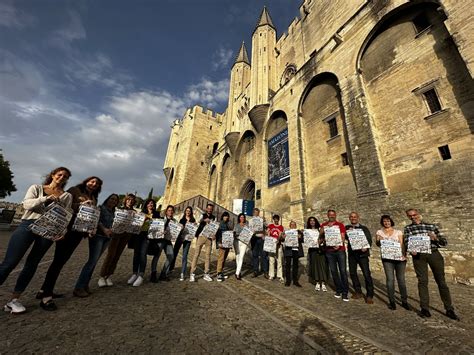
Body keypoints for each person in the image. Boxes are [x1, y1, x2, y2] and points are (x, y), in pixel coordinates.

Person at [0, 167, 72, 313]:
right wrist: (45, 198)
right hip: (28, 225)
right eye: (59, 174)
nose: (61, 177)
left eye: (65, 177)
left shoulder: (66, 196)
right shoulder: (37, 188)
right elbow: (27, 205)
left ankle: (14, 300)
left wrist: (62, 231)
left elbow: (65, 216)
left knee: (32, 264)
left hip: (48, 230)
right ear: (53, 175)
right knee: (10, 262)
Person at [37, 176, 102, 304]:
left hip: (79, 232)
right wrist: (80, 205)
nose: (94, 184)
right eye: (92, 181)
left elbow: (91, 216)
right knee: (58, 261)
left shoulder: (94, 198)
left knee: (60, 262)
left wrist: (90, 228)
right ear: (86, 181)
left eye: (97, 183)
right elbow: (64, 205)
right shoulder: (74, 190)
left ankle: (44, 289)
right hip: (68, 230)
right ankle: (47, 294)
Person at [404, 209, 459, 320]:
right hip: (419, 256)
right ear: (408, 217)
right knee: (422, 281)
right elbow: (406, 242)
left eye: (414, 215)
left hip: (434, 254)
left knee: (441, 282)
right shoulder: (408, 228)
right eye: (410, 216)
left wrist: (435, 238)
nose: (413, 217)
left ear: (418, 214)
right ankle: (424, 308)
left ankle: (449, 309)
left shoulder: (431, 226)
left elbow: (444, 242)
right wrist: (410, 250)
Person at [75, 194, 119, 293]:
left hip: (107, 238)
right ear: (107, 199)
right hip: (98, 236)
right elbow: (96, 220)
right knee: (91, 262)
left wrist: (112, 230)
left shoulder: (114, 212)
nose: (113, 201)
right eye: (112, 199)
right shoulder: (100, 208)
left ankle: (85, 285)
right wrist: (104, 229)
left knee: (94, 262)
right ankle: (79, 287)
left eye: (115, 200)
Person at [99, 193, 136, 286]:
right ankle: (102, 276)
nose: (130, 201)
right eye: (128, 199)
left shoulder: (135, 212)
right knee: (111, 254)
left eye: (132, 200)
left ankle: (108, 276)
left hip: (126, 235)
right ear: (125, 200)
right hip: (115, 234)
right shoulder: (118, 209)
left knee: (117, 255)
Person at [376, 215, 409, 311]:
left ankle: (404, 301)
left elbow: (402, 244)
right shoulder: (379, 232)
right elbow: (378, 244)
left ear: (391, 222)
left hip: (399, 258)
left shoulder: (398, 232)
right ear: (382, 222)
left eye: (388, 221)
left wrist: (404, 255)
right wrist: (379, 240)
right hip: (387, 259)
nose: (386, 223)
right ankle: (392, 301)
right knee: (390, 280)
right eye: (384, 221)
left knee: (401, 280)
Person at [126, 198, 160, 287]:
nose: (150, 204)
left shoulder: (156, 214)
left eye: (152, 203)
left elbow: (159, 225)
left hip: (148, 236)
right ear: (146, 204)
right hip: (138, 234)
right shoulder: (141, 213)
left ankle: (141, 275)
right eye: (149, 203)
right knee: (136, 254)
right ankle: (134, 274)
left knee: (143, 254)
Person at [345, 212, 374, 304]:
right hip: (352, 254)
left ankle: (369, 295)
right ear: (349, 218)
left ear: (358, 218)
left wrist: (366, 247)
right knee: (353, 273)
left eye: (355, 217)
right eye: (351, 217)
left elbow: (369, 240)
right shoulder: (346, 228)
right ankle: (358, 292)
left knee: (366, 274)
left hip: (362, 255)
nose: (353, 218)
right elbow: (343, 237)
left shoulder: (364, 228)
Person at [320, 209, 349, 301]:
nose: (331, 216)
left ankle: (345, 292)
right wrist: (325, 229)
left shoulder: (340, 225)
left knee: (343, 271)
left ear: (335, 215)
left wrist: (338, 243)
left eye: (333, 215)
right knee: (333, 271)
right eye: (330, 215)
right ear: (327, 215)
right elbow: (320, 236)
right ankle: (338, 289)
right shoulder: (324, 225)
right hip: (329, 251)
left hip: (340, 250)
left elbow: (343, 236)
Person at [190, 203, 216, 282]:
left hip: (209, 238)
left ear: (212, 210)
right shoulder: (203, 215)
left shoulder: (214, 217)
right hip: (201, 236)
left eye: (211, 209)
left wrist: (214, 235)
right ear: (206, 209)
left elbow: (215, 227)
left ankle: (206, 273)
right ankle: (192, 273)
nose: (209, 210)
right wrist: (204, 220)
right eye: (208, 208)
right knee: (196, 255)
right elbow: (198, 222)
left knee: (208, 256)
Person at [306, 216, 328, 292]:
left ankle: (323, 282)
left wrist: (321, 240)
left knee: (322, 265)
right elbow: (306, 241)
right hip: (313, 250)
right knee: (315, 265)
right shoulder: (307, 231)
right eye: (310, 221)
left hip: (321, 249)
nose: (312, 222)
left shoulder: (320, 229)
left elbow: (325, 238)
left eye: (313, 220)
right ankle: (317, 282)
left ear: (316, 221)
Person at [173, 206, 196, 281]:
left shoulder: (193, 220)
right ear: (185, 211)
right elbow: (177, 229)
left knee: (185, 256)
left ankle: (182, 273)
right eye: (187, 211)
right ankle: (170, 268)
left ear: (191, 212)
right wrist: (181, 227)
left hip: (187, 240)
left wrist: (195, 226)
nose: (188, 212)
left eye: (189, 211)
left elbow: (194, 231)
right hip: (180, 238)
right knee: (174, 253)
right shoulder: (182, 220)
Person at [282, 221, 304, 287]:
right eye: (291, 225)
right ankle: (288, 281)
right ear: (289, 225)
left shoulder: (298, 232)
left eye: (294, 224)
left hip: (296, 250)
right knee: (288, 265)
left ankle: (295, 281)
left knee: (295, 266)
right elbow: (283, 240)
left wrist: (300, 237)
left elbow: (302, 240)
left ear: (296, 225)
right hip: (288, 250)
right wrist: (283, 237)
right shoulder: (286, 232)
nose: (293, 226)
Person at [250, 208, 268, 278]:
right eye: (255, 212)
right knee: (255, 255)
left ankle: (265, 271)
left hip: (261, 238)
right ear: (253, 213)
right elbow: (249, 229)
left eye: (257, 213)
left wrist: (264, 221)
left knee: (264, 255)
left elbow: (267, 227)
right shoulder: (250, 220)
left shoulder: (261, 220)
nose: (256, 214)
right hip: (254, 238)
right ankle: (255, 271)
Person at [267, 214, 284, 283]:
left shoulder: (281, 227)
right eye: (275, 219)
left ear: (279, 219)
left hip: (278, 245)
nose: (276, 220)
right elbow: (268, 233)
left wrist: (280, 237)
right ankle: (271, 275)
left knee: (279, 260)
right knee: (271, 261)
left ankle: (280, 275)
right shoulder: (270, 226)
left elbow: (282, 236)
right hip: (271, 245)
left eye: (277, 219)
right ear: (273, 219)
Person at [216, 212, 232, 282]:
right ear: (222, 217)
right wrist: (218, 243)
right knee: (221, 258)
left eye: (227, 216)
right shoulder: (220, 224)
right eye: (225, 216)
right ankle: (218, 273)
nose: (226, 217)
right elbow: (217, 234)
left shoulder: (227, 224)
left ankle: (221, 272)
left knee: (224, 259)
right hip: (222, 243)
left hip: (227, 244)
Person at [234, 213, 248, 280]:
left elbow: (249, 233)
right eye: (241, 217)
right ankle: (238, 271)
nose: (242, 218)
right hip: (237, 242)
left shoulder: (247, 225)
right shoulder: (236, 225)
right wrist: (237, 235)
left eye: (243, 217)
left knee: (241, 257)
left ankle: (237, 273)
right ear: (239, 218)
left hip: (244, 243)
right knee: (237, 257)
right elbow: (234, 233)